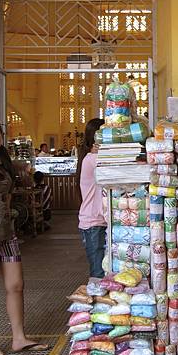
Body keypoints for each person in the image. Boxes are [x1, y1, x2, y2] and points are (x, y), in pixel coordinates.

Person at [0, 116, 48, 355]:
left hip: (6, 233)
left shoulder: (4, 164)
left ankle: (18, 338)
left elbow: (9, 196)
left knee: (16, 285)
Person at [77, 118, 106, 278]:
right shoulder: (92, 159)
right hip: (94, 223)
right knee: (98, 274)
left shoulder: (94, 158)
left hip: (99, 221)